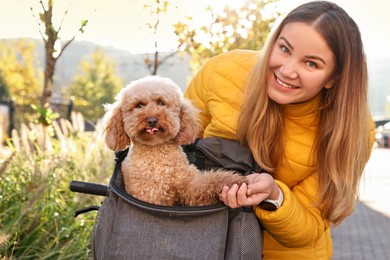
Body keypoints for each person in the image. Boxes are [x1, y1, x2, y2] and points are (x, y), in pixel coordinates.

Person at [184, 1, 375, 259]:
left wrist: (274, 196)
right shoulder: (221, 72)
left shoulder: (353, 129)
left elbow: (309, 227)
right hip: (201, 244)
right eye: (284, 49)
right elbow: (174, 146)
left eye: (311, 64)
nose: (287, 71)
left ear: (333, 78)